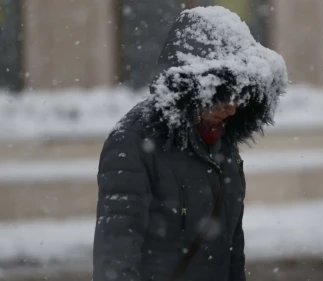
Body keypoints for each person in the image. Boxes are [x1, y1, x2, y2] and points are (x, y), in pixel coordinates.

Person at [92, 6, 287, 281]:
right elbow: (116, 253)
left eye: (240, 96)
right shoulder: (131, 142)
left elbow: (233, 253)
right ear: (191, 89)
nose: (231, 109)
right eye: (220, 95)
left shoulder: (223, 145)